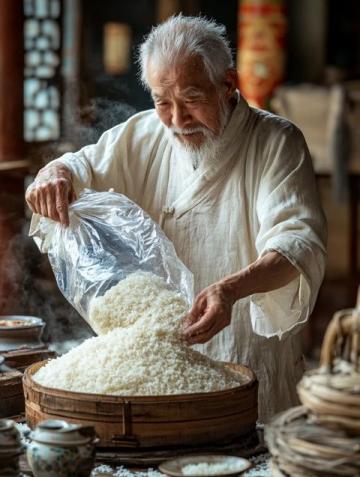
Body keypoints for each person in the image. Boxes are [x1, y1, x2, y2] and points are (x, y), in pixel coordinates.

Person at [26, 15, 327, 422]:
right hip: (157, 375)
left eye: (192, 99)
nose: (177, 120)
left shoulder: (276, 143)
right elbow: (81, 166)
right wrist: (54, 174)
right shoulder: (145, 134)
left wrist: (230, 290)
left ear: (227, 84)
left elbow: (297, 241)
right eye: (162, 101)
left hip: (247, 358)